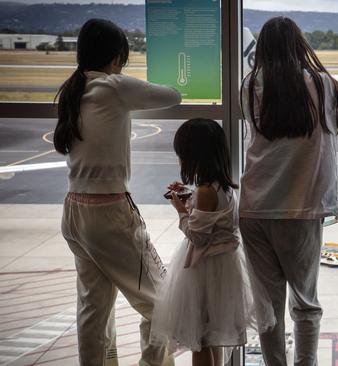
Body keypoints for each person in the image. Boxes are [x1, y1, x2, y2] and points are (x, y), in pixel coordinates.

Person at [55, 18, 180, 366]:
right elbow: (173, 96)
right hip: (108, 214)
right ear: (115, 58)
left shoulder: (72, 90)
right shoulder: (113, 87)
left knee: (94, 309)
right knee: (162, 302)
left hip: (74, 213)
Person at [238, 16, 338, 366]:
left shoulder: (249, 85)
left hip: (255, 206)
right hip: (299, 208)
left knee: (268, 305)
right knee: (305, 302)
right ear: (300, 45)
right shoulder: (324, 85)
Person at [150, 118, 274, 366]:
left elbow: (198, 236)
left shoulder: (205, 192)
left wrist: (181, 210)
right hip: (223, 267)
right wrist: (190, 198)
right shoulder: (224, 188)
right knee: (212, 338)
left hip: (206, 270)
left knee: (200, 340)